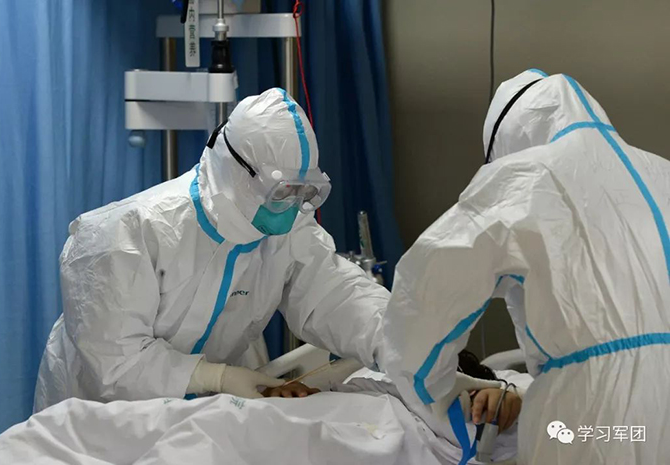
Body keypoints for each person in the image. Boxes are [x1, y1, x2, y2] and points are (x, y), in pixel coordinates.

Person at [34, 88, 391, 411]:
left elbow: (334, 295)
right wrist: (216, 378)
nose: (292, 207)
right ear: (237, 171)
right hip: (94, 421)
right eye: (282, 192)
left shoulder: (288, 232)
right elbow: (116, 363)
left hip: (201, 419)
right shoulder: (124, 234)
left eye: (304, 192)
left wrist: (395, 338)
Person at [382, 69, 670, 464]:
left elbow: (427, 293)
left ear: (508, 144)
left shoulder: (521, 177)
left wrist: (432, 392)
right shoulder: (661, 171)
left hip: (595, 417)